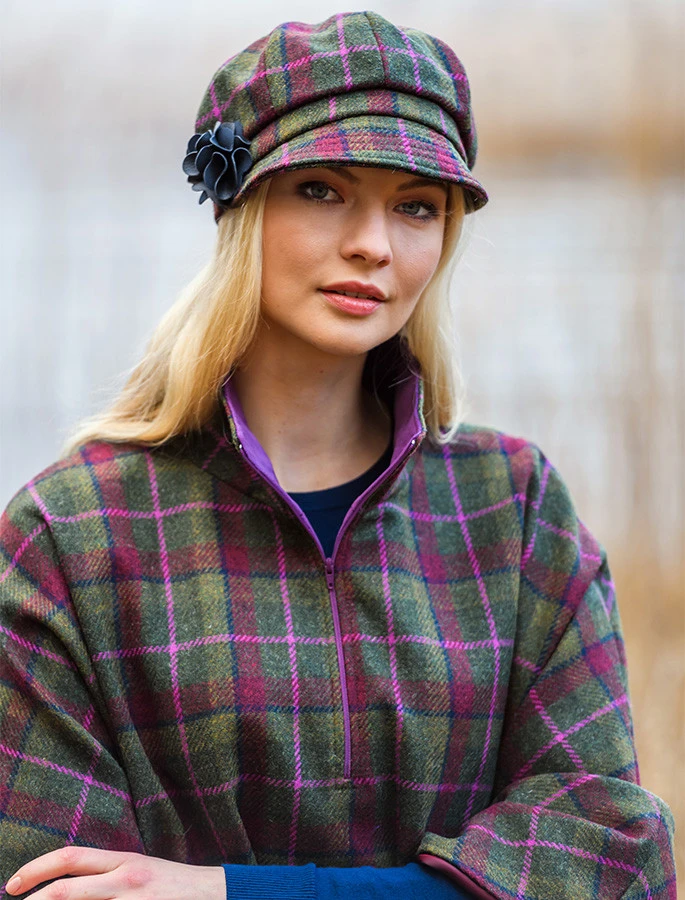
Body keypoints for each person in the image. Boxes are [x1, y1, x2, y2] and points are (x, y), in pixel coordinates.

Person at [0, 11, 676, 900]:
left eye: (415, 206)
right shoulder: (72, 537)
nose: (374, 243)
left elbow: (612, 853)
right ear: (239, 206)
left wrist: (229, 892)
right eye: (322, 189)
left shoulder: (511, 510)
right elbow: (53, 886)